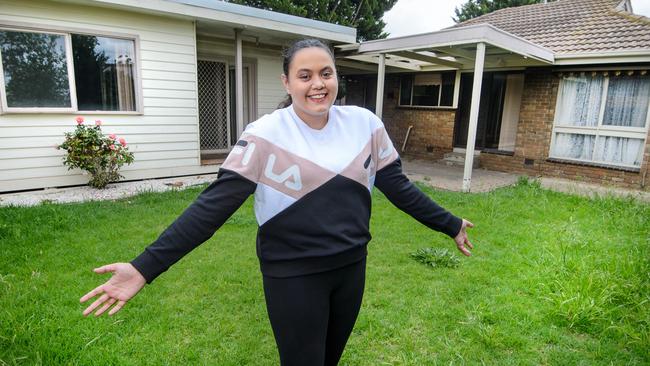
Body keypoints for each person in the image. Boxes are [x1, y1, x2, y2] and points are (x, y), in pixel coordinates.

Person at [80, 38, 474, 366]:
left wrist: (450, 223)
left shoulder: (365, 125)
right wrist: (144, 267)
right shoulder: (266, 134)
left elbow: (398, 187)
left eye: (326, 73)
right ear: (287, 82)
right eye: (305, 75)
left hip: (351, 269)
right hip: (293, 276)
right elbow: (212, 207)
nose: (317, 84)